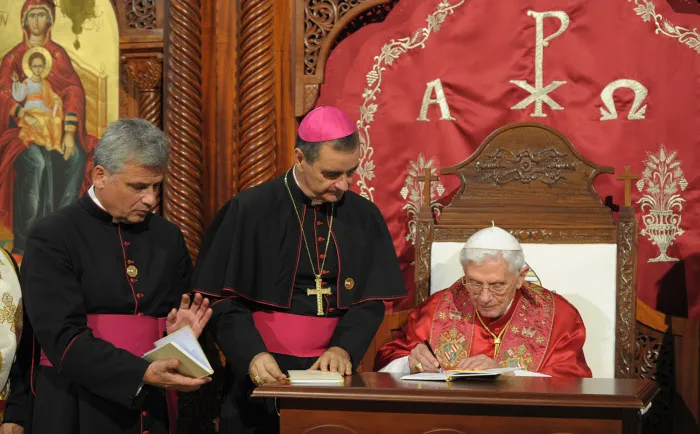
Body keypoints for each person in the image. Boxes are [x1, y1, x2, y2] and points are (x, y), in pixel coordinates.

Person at [192, 106, 406, 433]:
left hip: (333, 376)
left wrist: (343, 348)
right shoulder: (250, 209)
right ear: (300, 158)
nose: (344, 186)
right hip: (262, 375)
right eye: (331, 174)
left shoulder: (364, 216)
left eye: (351, 172)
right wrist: (250, 354)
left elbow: (369, 301)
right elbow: (221, 298)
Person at [1, 118, 212, 434]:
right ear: (100, 176)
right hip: (76, 401)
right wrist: (140, 372)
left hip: (154, 401)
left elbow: (176, 317)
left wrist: (179, 339)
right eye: (138, 187)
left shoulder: (168, 237)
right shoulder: (53, 235)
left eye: (156, 186)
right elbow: (61, 338)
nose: (151, 199)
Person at [376, 225, 592, 377]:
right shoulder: (436, 309)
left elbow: (573, 383)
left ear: (520, 277)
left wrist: (508, 375)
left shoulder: (559, 317)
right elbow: (386, 362)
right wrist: (409, 363)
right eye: (474, 283)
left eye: (498, 285)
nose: (485, 297)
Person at [0, 0, 96, 263]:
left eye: (42, 15)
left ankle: (61, 231)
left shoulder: (57, 56)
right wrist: (21, 114)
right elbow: (4, 94)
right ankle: (25, 240)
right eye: (32, 16)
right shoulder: (13, 57)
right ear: (23, 20)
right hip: (20, 133)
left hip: (54, 129)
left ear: (50, 20)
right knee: (36, 164)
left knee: (75, 157)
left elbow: (72, 90)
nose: (36, 22)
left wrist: (68, 131)